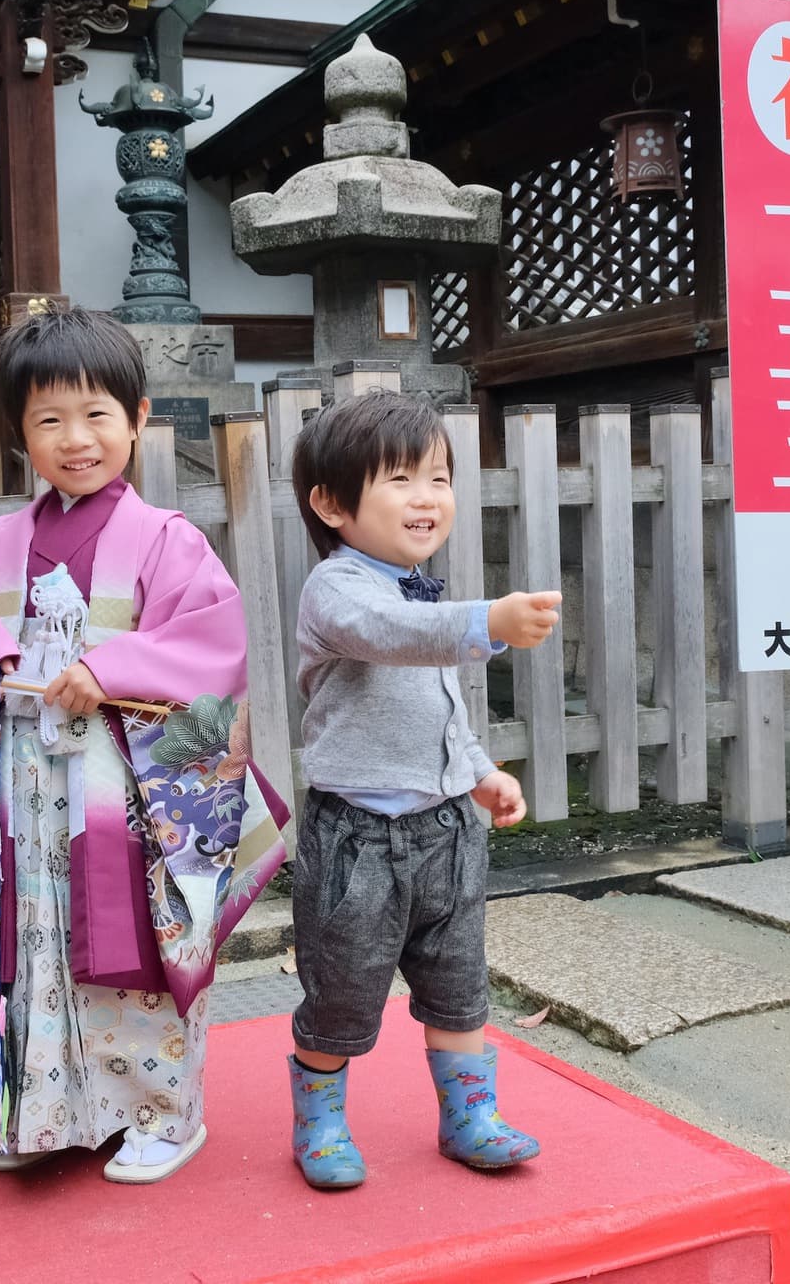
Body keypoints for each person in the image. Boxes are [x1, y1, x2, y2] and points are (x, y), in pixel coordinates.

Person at [0, 307, 281, 1184]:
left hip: (125, 792)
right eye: (48, 419)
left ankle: (163, 1113)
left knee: (130, 942)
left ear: (138, 418)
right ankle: (28, 1106)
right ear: (20, 434)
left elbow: (210, 647)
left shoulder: (168, 541)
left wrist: (114, 667)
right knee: (16, 941)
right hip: (18, 790)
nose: (75, 439)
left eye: (96, 414)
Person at [286, 389, 562, 1189]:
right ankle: (321, 1123)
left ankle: (470, 1115)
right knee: (342, 990)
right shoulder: (338, 591)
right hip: (358, 838)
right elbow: (396, 640)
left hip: (445, 831)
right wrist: (488, 622)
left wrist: (479, 773)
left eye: (439, 478)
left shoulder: (418, 588)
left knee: (458, 982)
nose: (427, 497)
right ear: (332, 504)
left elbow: (438, 706)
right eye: (401, 479)